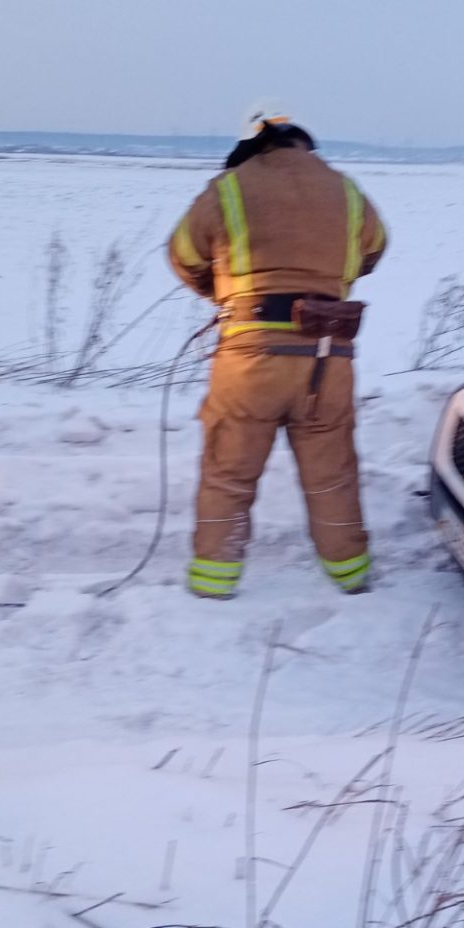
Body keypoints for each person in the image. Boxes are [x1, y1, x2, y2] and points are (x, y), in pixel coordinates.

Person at [168, 102, 387, 599]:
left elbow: (183, 255)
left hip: (251, 358)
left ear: (251, 147)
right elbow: (375, 247)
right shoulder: (346, 189)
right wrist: (330, 282)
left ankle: (213, 581)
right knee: (332, 473)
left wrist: (224, 293)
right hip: (329, 356)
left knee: (229, 470)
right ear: (301, 142)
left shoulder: (228, 189)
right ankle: (351, 576)